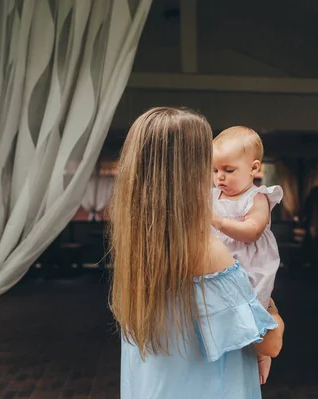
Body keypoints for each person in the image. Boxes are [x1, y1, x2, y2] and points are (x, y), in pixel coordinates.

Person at [108, 108, 284, 399]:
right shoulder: (208, 253)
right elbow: (268, 342)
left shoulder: (136, 248)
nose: (216, 176)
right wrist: (272, 310)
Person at [210, 126, 283, 384]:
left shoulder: (257, 198)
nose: (220, 177)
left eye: (228, 170)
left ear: (253, 168)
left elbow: (252, 231)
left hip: (249, 266)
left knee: (254, 312)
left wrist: (219, 223)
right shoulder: (211, 196)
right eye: (215, 170)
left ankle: (262, 353)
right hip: (218, 268)